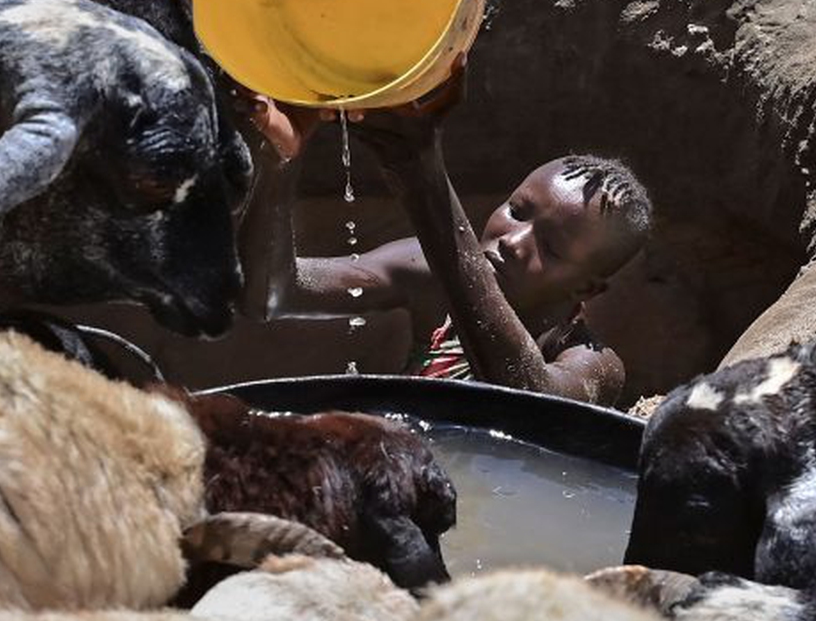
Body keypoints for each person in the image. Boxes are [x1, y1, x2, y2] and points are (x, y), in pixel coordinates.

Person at [240, 68, 653, 406]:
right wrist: (279, 159)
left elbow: (526, 400)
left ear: (587, 287)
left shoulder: (591, 364)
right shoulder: (432, 271)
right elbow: (267, 294)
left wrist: (425, 178)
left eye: (551, 247)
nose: (513, 239)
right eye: (517, 211)